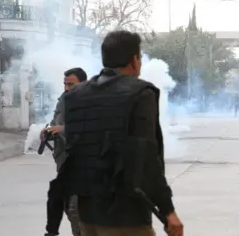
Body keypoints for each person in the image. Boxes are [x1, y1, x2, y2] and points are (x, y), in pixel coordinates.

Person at [59, 30, 183, 236]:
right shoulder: (140, 93)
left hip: (87, 215)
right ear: (134, 60)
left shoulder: (75, 96)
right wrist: (168, 211)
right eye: (140, 58)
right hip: (126, 216)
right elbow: (149, 158)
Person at [43, 67, 87, 236]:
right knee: (58, 198)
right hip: (65, 163)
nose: (67, 88)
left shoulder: (90, 102)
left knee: (75, 210)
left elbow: (88, 128)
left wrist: (61, 129)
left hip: (83, 165)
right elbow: (56, 122)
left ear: (83, 84)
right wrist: (48, 131)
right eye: (65, 84)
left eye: (71, 84)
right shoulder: (63, 100)